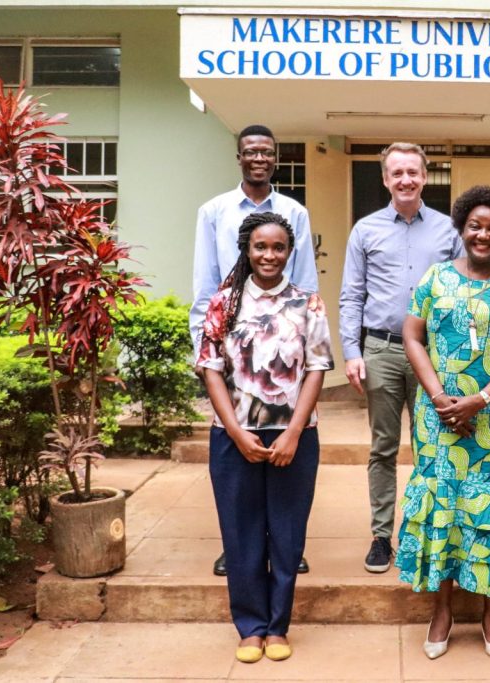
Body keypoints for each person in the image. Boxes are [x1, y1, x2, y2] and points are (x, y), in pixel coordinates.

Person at [396, 185, 490, 661]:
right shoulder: (435, 278)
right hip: (437, 418)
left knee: (488, 509)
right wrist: (439, 397)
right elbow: (413, 337)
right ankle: (442, 611)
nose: (483, 234)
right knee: (444, 504)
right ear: (461, 228)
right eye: (475, 225)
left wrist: (480, 398)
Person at [197, 212, 334, 664]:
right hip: (233, 437)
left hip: (294, 438)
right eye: (260, 247)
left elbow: (316, 368)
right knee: (241, 535)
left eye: (277, 247)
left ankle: (278, 627)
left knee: (287, 537)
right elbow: (210, 370)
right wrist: (235, 433)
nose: (269, 255)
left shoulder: (308, 302)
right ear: (247, 250)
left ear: (289, 251)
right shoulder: (223, 303)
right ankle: (250, 627)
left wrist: (295, 431)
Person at [190, 124, 317, 577]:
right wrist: (205, 355)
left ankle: (286, 547)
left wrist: (302, 347)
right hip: (228, 346)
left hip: (284, 346)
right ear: (239, 156)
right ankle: (239, 548)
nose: (258, 158)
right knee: (236, 460)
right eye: (250, 151)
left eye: (266, 152)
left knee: (286, 458)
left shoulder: (294, 212)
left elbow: (304, 284)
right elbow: (205, 287)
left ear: (276, 158)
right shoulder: (214, 212)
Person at [339, 142, 464, 574]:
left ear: (425, 176)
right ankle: (380, 536)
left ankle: (430, 531)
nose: (406, 179)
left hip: (434, 355)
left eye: (413, 171)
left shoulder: (450, 231)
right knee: (384, 448)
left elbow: (463, 294)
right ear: (386, 179)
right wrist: (352, 353)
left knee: (434, 447)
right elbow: (352, 296)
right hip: (382, 351)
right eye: (397, 173)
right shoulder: (366, 230)